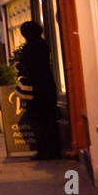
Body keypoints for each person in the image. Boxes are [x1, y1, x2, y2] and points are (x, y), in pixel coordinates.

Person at [16, 20, 60, 159]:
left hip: (35, 89)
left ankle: (44, 150)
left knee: (38, 120)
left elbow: (29, 67)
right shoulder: (43, 45)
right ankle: (53, 149)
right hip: (47, 86)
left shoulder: (30, 47)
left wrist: (20, 67)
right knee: (49, 119)